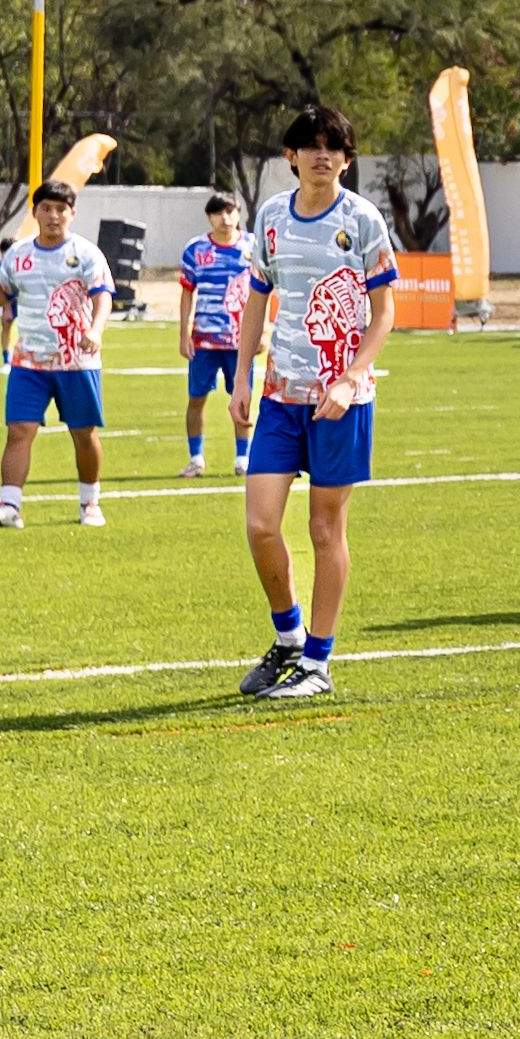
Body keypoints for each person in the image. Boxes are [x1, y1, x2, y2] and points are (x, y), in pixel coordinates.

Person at [232, 105, 400, 701]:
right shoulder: (272, 218)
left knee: (325, 529)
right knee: (259, 524)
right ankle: (287, 639)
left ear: (347, 159)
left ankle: (318, 662)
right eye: (312, 145)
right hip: (281, 395)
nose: (322, 154)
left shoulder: (363, 219)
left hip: (341, 400)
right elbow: (255, 303)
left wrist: (352, 376)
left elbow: (385, 312)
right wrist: (243, 379)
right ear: (291, 156)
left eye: (334, 147)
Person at [0, 182, 114, 529]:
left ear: (72, 213)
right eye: (46, 208)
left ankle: (90, 502)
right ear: (35, 211)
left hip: (76, 362)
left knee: (83, 433)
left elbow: (102, 296)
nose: (53, 215)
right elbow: (4, 295)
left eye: (61, 209)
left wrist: (95, 330)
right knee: (19, 430)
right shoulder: (18, 254)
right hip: (29, 362)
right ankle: (9, 505)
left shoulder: (86, 253)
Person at [177, 193, 253, 478]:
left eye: (230, 211)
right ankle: (196, 458)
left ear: (238, 213)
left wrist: (263, 331)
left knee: (242, 398)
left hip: (241, 340)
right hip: (204, 340)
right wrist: (184, 333)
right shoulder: (196, 249)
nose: (225, 218)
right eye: (218, 213)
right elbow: (187, 291)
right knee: (196, 398)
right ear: (209, 217)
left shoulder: (253, 247)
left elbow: (265, 291)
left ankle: (243, 459)